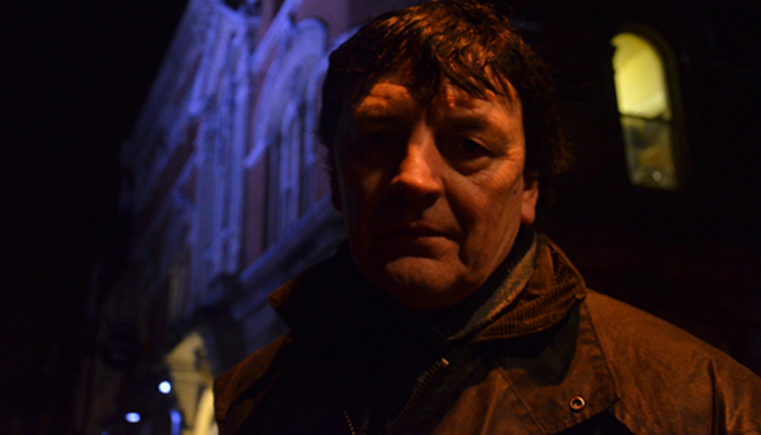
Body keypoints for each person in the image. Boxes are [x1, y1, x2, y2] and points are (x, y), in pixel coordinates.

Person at [213, 1, 761, 434]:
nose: (413, 178)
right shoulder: (248, 399)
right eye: (377, 139)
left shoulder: (706, 403)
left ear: (529, 186)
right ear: (335, 179)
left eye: (469, 145)